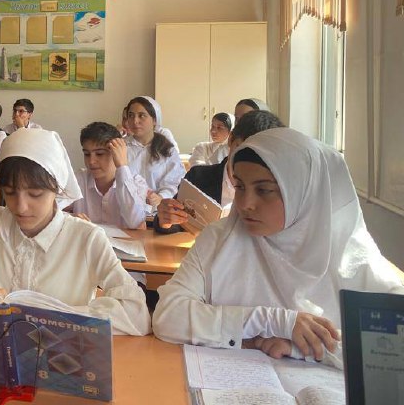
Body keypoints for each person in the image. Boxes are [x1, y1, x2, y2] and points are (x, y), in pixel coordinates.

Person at [153, 127, 404, 364]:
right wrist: (273, 321)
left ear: (303, 192)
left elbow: (393, 345)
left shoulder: (353, 259)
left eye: (264, 190)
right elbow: (167, 316)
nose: (246, 203)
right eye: (239, 187)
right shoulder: (220, 239)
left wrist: (303, 349)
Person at [0, 128, 151, 336]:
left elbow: (136, 314)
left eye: (35, 194)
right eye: (10, 193)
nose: (21, 207)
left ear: (56, 187)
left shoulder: (86, 238)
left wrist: (54, 318)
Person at [156, 110, 284, 231]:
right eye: (242, 150)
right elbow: (173, 222)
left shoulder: (279, 189)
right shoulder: (198, 178)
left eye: (259, 156)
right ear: (231, 140)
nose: (247, 161)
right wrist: (165, 219)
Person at [71, 122, 148, 229]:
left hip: (122, 240)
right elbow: (53, 212)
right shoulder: (78, 179)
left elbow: (135, 222)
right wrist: (70, 218)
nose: (91, 161)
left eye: (100, 154)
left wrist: (122, 165)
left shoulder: (137, 183)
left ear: (117, 153)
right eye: (87, 154)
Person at [124, 96, 185, 213]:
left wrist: (161, 197)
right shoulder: (122, 147)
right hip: (128, 211)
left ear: (154, 120)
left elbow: (175, 181)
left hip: (161, 212)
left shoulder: (167, 149)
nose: (135, 121)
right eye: (131, 115)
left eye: (142, 115)